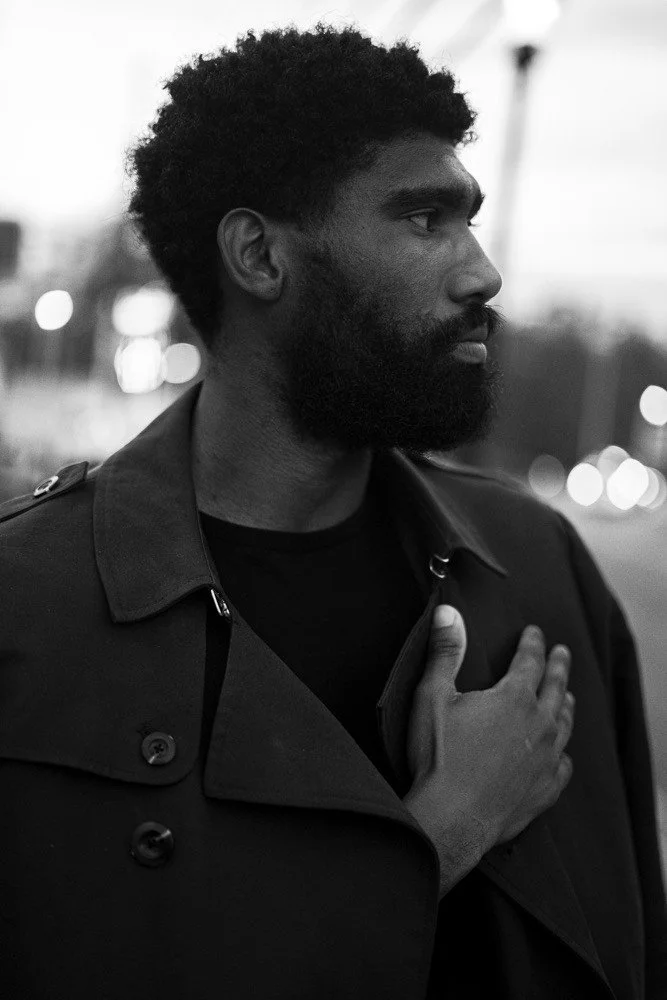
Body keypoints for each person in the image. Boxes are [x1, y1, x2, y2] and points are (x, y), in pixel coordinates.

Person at [0, 23, 665, 1000]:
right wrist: (439, 838)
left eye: (469, 220)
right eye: (424, 219)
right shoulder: (29, 610)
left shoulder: (539, 567)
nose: (481, 272)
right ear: (260, 255)